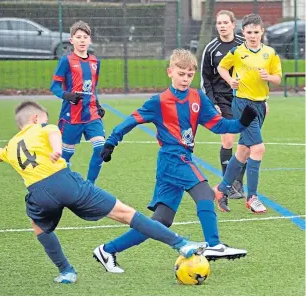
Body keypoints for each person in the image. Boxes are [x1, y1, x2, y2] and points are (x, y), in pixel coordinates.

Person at [0, 101, 208, 284]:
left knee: (39, 228)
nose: (47, 122)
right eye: (44, 118)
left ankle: (67, 271)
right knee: (124, 213)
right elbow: (53, 135)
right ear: (35, 119)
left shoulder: (12, 146)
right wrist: (57, 150)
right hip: (64, 182)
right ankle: (181, 243)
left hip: (38, 194)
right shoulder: (44, 128)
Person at [92, 49, 256, 274]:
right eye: (181, 73)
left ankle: (107, 250)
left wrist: (242, 122)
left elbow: (220, 125)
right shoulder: (158, 101)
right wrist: (111, 141)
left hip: (178, 160)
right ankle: (214, 244)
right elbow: (131, 120)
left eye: (189, 75)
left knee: (161, 221)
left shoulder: (198, 98)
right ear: (170, 72)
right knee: (206, 193)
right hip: (172, 158)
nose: (185, 79)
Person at [213, 13, 282, 213]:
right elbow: (221, 67)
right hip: (243, 104)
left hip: (260, 105)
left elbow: (277, 78)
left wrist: (268, 76)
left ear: (262, 32)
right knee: (258, 148)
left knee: (243, 150)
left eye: (256, 32)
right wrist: (230, 81)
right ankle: (252, 197)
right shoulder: (237, 51)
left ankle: (221, 189)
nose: (252, 35)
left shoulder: (270, 53)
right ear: (243, 32)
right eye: (249, 32)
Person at [50, 21, 105, 184]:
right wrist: (66, 95)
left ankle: (90, 185)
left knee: (101, 148)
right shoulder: (66, 61)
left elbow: (93, 87)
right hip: (71, 115)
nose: (82, 40)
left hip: (91, 113)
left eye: (85, 37)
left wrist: (98, 104)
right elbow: (54, 86)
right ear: (71, 40)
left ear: (90, 40)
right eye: (78, 37)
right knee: (66, 154)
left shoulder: (95, 62)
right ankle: (66, 185)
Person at [201, 10, 246, 201]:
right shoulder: (211, 49)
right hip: (221, 99)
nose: (222, 26)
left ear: (233, 24)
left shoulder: (243, 45)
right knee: (228, 140)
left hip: (243, 97)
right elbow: (205, 79)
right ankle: (227, 185)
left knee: (247, 143)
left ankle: (238, 183)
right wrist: (212, 103)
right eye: (219, 23)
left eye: (225, 22)